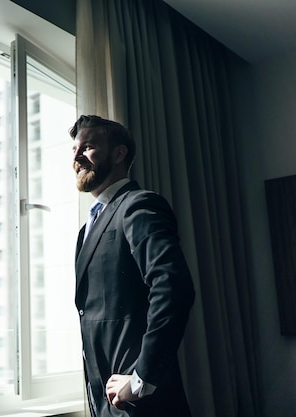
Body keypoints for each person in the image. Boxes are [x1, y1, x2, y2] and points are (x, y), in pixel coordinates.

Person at [70, 115, 195, 417]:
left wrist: (142, 379)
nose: (76, 157)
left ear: (118, 153)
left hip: (142, 404)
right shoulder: (85, 230)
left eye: (87, 147)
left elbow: (173, 288)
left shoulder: (139, 205)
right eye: (74, 149)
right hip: (107, 405)